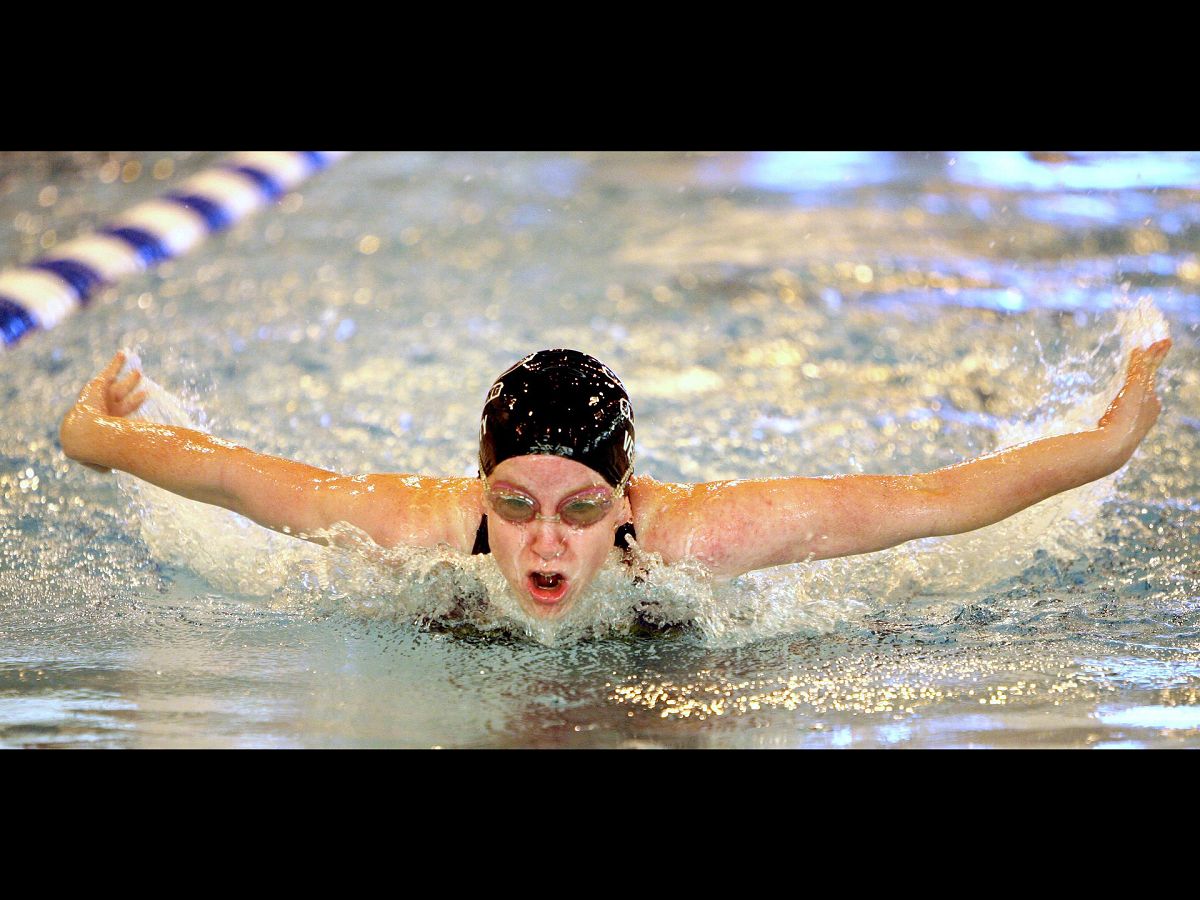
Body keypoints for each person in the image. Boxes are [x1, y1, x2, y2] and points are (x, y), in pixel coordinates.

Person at [59, 340, 1172, 621]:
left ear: (628, 501)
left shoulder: (694, 542)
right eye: (518, 508)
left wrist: (1110, 444)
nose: (546, 545)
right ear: (480, 485)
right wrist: (99, 432)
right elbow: (236, 479)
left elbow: (933, 503)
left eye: (584, 511)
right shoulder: (411, 525)